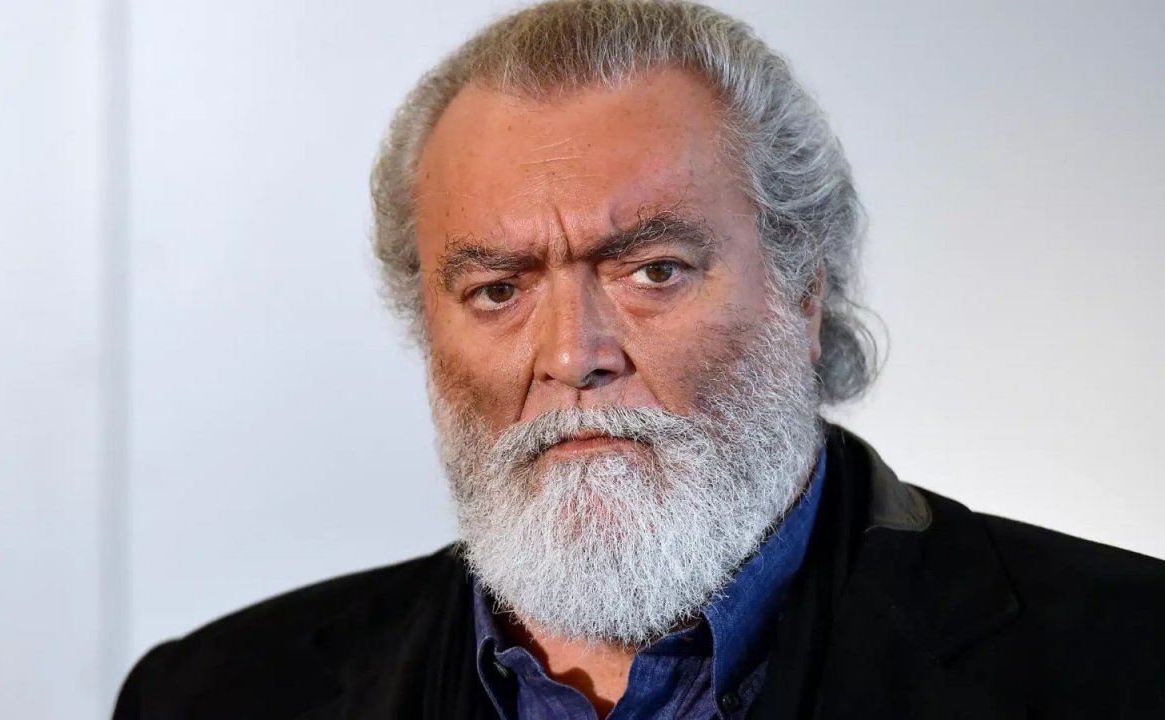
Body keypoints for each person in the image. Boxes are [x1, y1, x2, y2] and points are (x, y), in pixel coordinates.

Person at [113, 1, 1165, 718]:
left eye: (653, 271)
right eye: (497, 289)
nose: (573, 354)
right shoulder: (213, 697)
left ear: (804, 289)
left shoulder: (1124, 660)